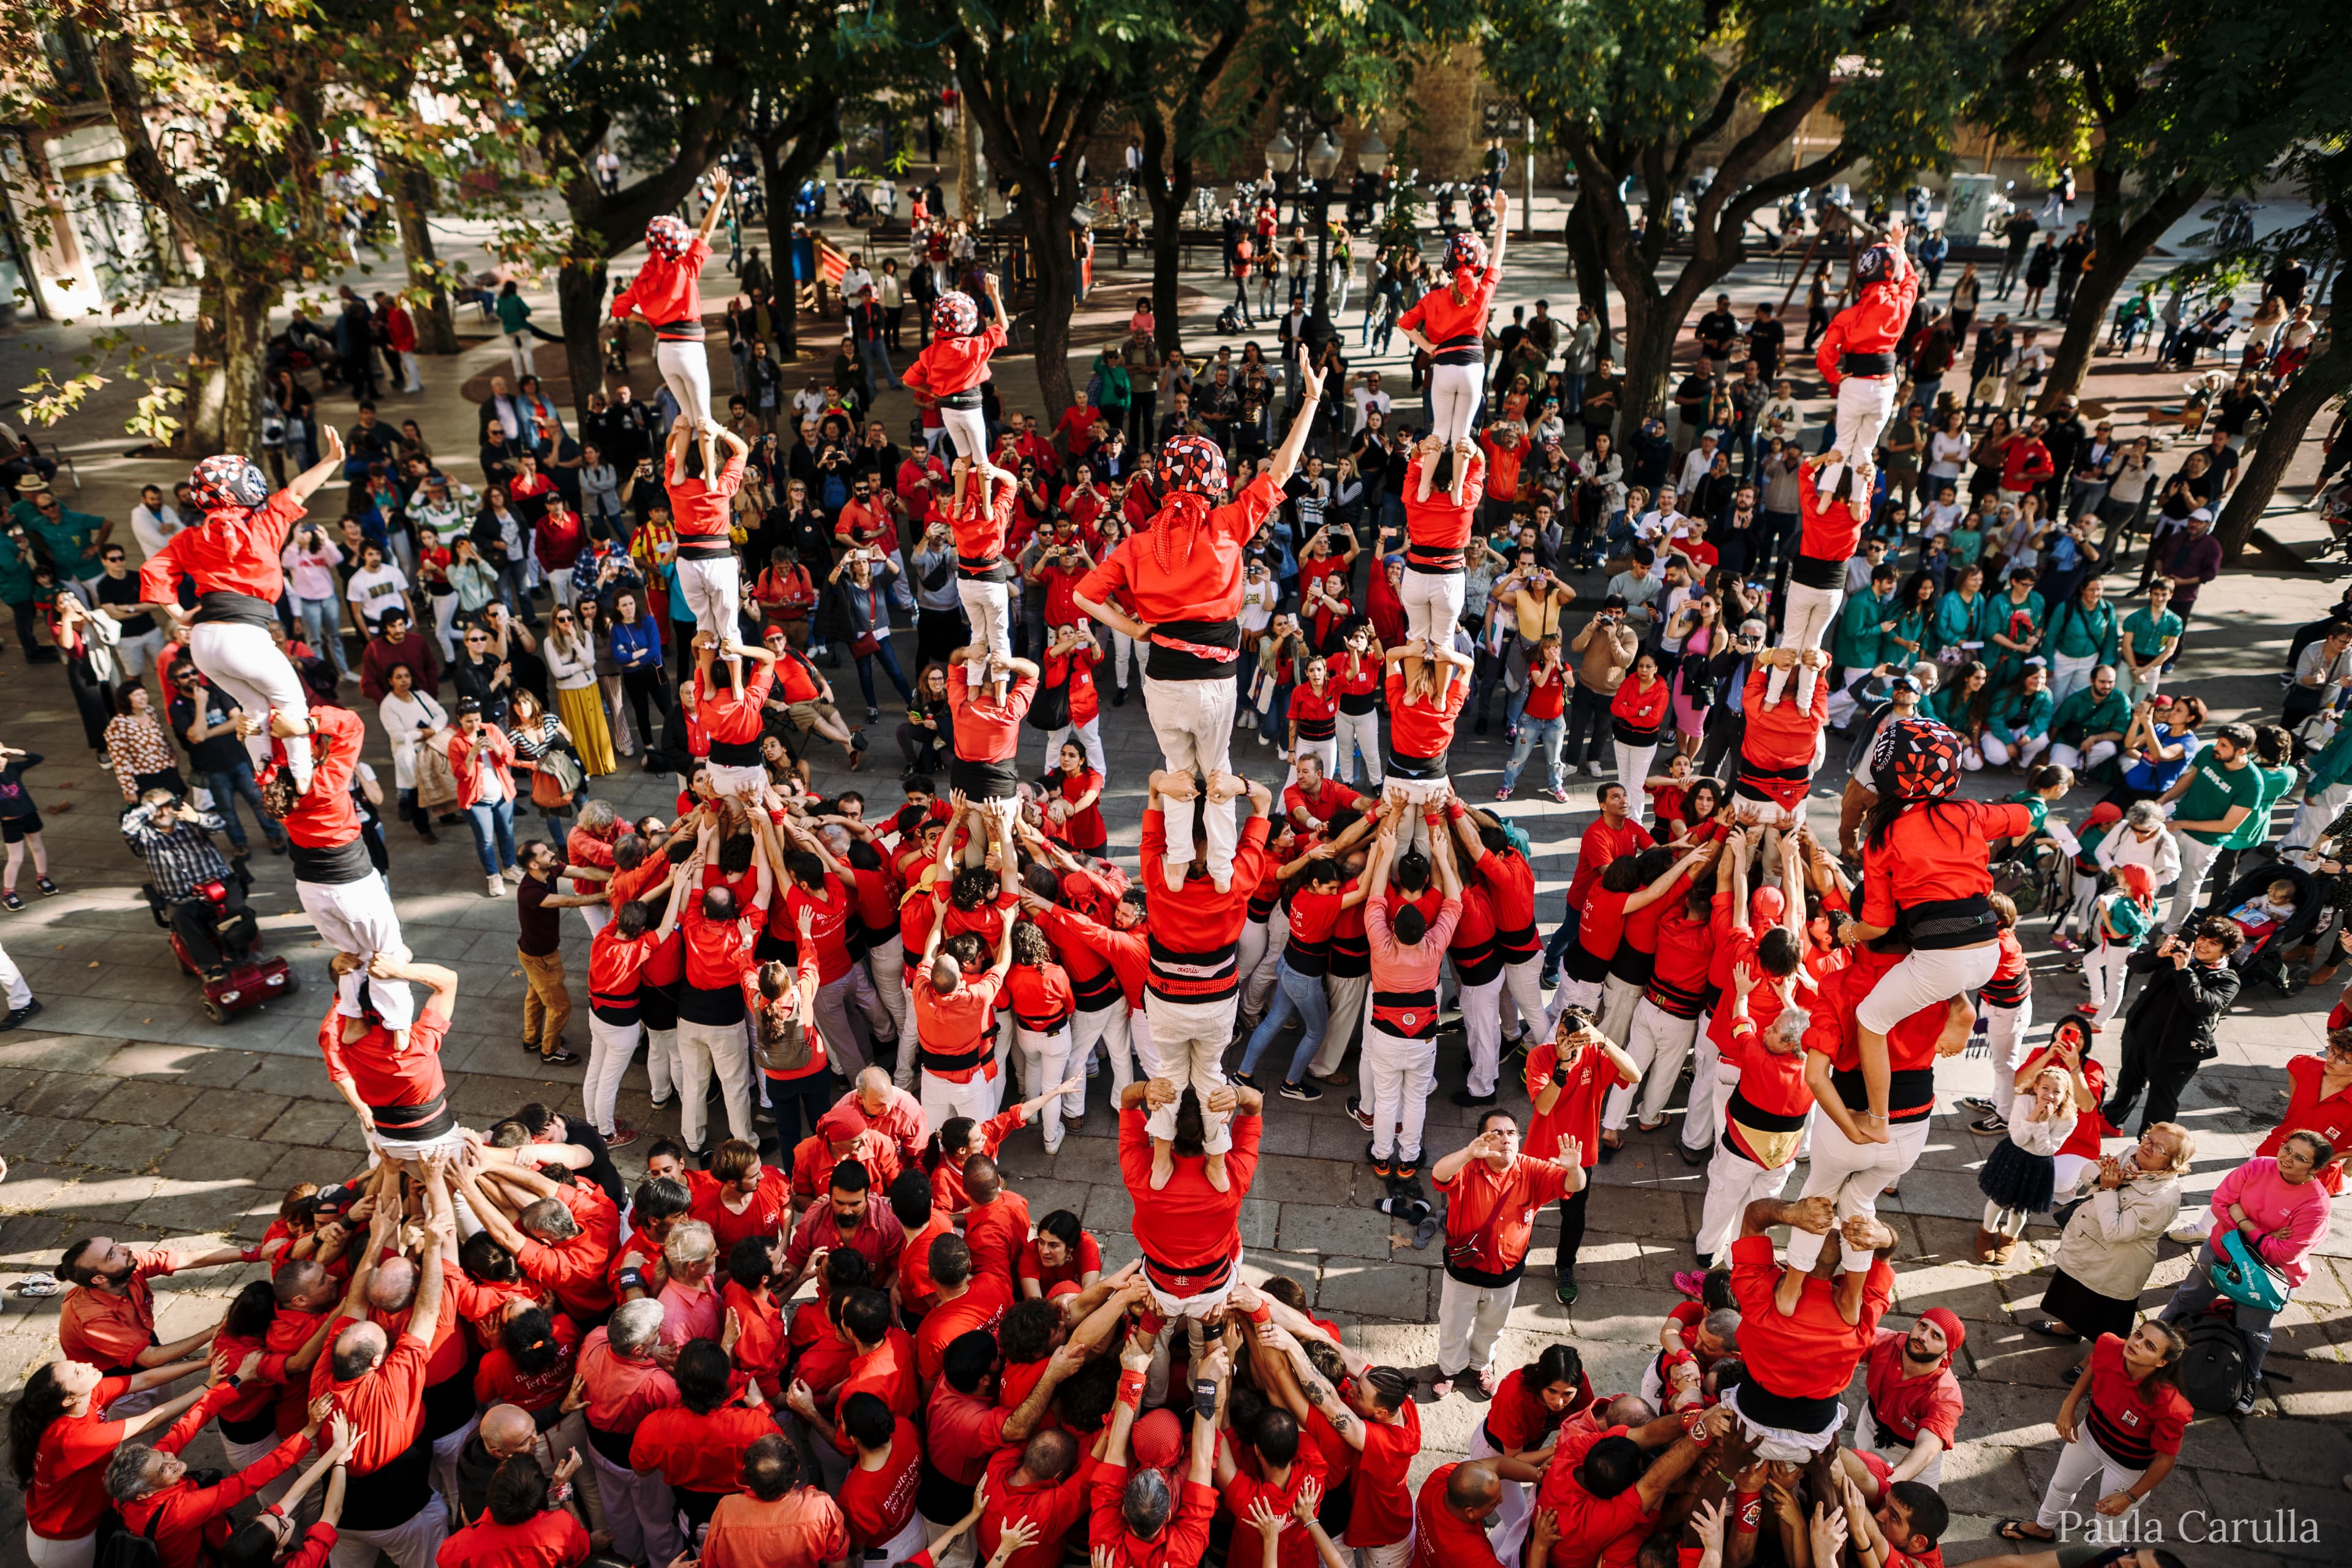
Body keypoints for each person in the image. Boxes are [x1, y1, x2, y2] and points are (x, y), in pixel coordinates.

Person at [1076, 357, 1325, 886]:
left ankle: (1173, 866)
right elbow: (1279, 471)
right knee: (1218, 774)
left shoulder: (1138, 545)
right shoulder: (1228, 526)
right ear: (1213, 482)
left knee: (1177, 774)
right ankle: (1218, 870)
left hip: (1162, 681)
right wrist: (1309, 400)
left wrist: (1134, 629)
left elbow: (1083, 594)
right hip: (1215, 682)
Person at [138, 429, 349, 793]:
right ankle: (301, 777)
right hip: (245, 637)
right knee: (291, 701)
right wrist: (331, 460)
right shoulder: (265, 525)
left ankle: (266, 773)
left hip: (203, 644)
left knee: (254, 708)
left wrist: (178, 615)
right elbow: (297, 491)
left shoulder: (191, 537)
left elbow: (153, 570)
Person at [2155, 1134, 2335, 1413]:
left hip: (2266, 1276)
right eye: (2287, 1149)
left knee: (2253, 1329)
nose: (2287, 1158)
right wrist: (2264, 1236)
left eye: (2300, 1158)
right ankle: (2152, 1347)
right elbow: (2220, 1202)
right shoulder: (2257, 1167)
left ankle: (2249, 1378)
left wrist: (2244, 1222)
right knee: (2186, 1300)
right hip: (2219, 1253)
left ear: (2314, 1169)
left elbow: (2283, 1255)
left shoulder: (2316, 1206)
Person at [1722, 1196, 1899, 1459]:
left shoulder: (1760, 1296)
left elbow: (1754, 1215)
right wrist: (1883, 1236)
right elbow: (1885, 1253)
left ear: (1797, 1254)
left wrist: (1791, 1213)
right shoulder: (1860, 1315)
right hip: (1813, 1438)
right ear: (1840, 1263)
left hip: (1750, 1423)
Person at [1430, 1109, 1579, 1400]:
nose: (1505, 1139)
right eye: (1496, 1133)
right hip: (1463, 1272)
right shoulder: (1467, 1166)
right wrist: (1469, 1153)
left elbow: (1574, 1185)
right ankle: (1448, 1369)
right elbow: (1439, 1174)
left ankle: (1480, 1366)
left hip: (1507, 1276)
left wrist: (1574, 1169)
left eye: (1511, 1133)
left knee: (1492, 1329)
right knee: (1452, 1325)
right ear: (1482, 1139)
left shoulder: (1533, 1170)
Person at [2001, 1321, 2192, 1547]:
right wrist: (2068, 1405)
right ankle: (2042, 1527)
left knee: (2109, 1522)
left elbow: (2165, 1459)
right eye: (2138, 1335)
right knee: (2061, 1485)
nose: (2137, 1343)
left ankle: (2100, 1560)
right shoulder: (2110, 1346)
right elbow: (2094, 1366)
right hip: (2091, 1434)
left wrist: (2131, 1496)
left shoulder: (2170, 1405)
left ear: (2161, 1362)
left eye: (2149, 1346)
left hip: (2128, 1465)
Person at [2024, 1120, 2195, 1346]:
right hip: (2088, 1246)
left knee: (2103, 1320)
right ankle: (2067, 1329)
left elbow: (2116, 1233)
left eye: (2159, 1148)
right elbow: (2092, 1173)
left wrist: (2108, 1188)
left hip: (2115, 1265)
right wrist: (2101, 1174)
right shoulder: (2133, 1154)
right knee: (2072, 1294)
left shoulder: (2163, 1198)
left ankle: (2092, 1363)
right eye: (2149, 1138)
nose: (2147, 1146)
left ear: (2173, 1164)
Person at [611, 170, 732, 476]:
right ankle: (710, 476)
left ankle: (678, 472)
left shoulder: (643, 278)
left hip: (665, 353)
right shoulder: (685, 268)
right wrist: (719, 197)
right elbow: (705, 233)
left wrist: (649, 319)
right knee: (704, 419)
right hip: (690, 349)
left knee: (687, 418)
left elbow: (619, 308)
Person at [1396, 198, 1508, 504]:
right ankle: (1457, 491)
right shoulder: (1483, 291)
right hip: (1472, 369)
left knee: (1438, 432)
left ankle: (1423, 489)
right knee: (1462, 437)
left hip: (1443, 368)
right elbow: (1498, 255)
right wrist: (1502, 216)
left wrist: (1428, 346)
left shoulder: (1433, 298)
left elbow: (1404, 324)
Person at [2104, 918, 2241, 1134]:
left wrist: (2184, 972)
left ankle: (2150, 1146)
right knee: (2128, 1083)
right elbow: (2135, 964)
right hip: (2140, 1034)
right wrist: (2159, 954)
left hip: (2178, 1051)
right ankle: (2111, 1121)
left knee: (2161, 1102)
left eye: (2213, 943)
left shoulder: (2227, 979)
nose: (2204, 945)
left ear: (2226, 951)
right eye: (2203, 938)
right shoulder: (2178, 955)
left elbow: (2205, 1006)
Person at [1815, 220, 1919, 462]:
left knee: (1840, 446)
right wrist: (1899, 248)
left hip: (1854, 382)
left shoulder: (1847, 317)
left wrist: (1833, 377)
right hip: (1885, 383)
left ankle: (1827, 497)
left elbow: (1825, 352)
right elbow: (1911, 281)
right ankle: (1861, 499)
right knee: (1865, 452)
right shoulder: (1900, 306)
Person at [903, 276, 1013, 483]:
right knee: (982, 460)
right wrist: (993, 294)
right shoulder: (974, 347)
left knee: (963, 457)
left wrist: (931, 392)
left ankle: (959, 500)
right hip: (970, 408)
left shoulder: (930, 353)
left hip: (947, 411)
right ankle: (987, 505)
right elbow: (1002, 325)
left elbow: (908, 380)